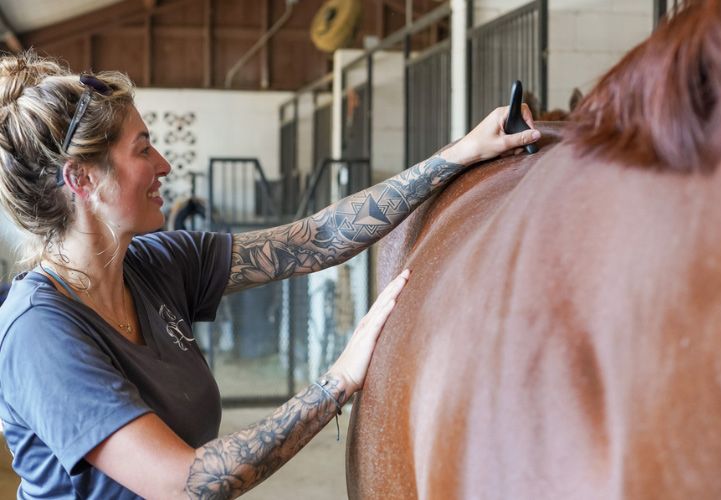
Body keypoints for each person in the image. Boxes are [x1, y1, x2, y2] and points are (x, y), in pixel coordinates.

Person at [0, 51, 540, 499]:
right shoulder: (38, 332)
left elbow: (319, 239)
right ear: (81, 178)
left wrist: (460, 155)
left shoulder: (159, 264)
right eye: (143, 149)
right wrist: (339, 381)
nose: (163, 164)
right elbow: (184, 483)